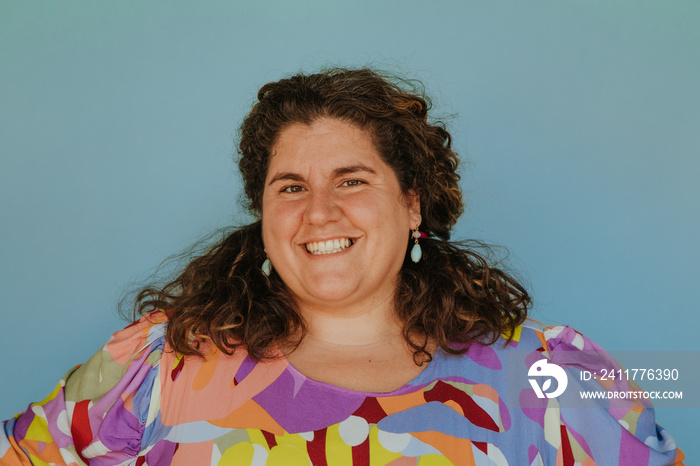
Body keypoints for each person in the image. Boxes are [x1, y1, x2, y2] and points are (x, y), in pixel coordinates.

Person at [1, 68, 684, 465]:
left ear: (412, 204)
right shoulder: (162, 364)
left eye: (352, 181)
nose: (319, 212)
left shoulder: (546, 376)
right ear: (264, 215)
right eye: (291, 187)